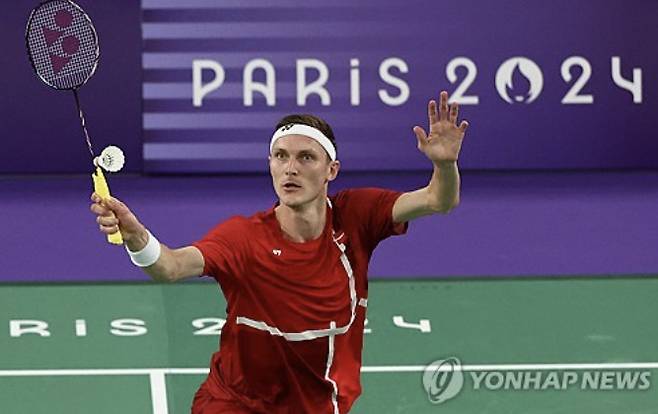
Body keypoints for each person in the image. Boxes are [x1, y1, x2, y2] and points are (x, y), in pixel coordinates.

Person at [90, 90, 469, 413]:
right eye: (281, 156)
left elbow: (439, 200)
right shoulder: (243, 238)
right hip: (234, 404)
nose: (290, 169)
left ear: (331, 170)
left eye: (306, 157)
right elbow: (170, 266)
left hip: (318, 404)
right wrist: (136, 236)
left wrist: (445, 164)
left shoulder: (357, 216)